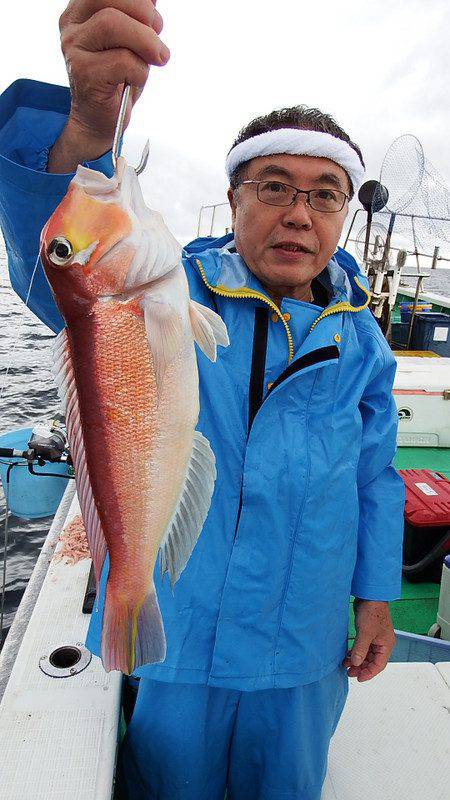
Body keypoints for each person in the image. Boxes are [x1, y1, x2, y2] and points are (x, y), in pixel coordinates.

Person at [0, 2, 405, 798]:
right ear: (233, 197)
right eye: (275, 186)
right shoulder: (163, 284)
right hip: (180, 633)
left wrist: (379, 599)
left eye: (325, 195)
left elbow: (376, 478)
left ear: (345, 215)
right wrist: (85, 124)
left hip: (304, 644)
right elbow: (64, 278)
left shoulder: (364, 340)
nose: (299, 212)